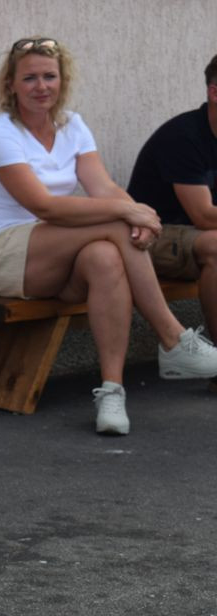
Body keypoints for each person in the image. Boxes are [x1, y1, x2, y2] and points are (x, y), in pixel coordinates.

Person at [0, 37, 217, 436]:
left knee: (105, 256)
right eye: (29, 77)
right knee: (115, 226)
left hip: (59, 255)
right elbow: (44, 207)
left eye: (49, 76)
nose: (41, 86)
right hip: (5, 255)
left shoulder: (73, 126)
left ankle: (112, 391)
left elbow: (103, 188)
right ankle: (173, 339)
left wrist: (136, 215)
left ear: (62, 80)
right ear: (10, 84)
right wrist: (127, 212)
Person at [127, 53, 217, 393]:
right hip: (152, 237)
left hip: (194, 238)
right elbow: (204, 216)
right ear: (214, 93)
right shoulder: (185, 136)